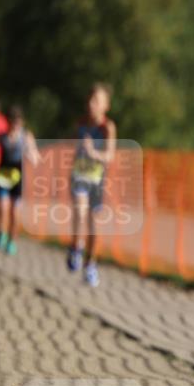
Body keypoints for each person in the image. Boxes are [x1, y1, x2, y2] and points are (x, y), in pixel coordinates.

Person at [67, 83, 117, 287]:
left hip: (97, 179)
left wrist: (93, 153)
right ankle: (76, 247)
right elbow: (73, 146)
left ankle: (90, 265)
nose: (91, 104)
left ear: (106, 106)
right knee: (80, 210)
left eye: (96, 100)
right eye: (89, 99)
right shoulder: (80, 123)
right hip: (79, 175)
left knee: (95, 226)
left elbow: (109, 156)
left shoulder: (107, 127)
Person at [0, 106, 40, 254]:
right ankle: (1, 232)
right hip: (3, 174)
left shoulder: (26, 136)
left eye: (18, 123)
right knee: (2, 206)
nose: (15, 126)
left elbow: (34, 155)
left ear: (21, 123)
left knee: (14, 211)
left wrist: (32, 156)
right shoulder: (2, 137)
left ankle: (12, 241)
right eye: (13, 123)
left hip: (18, 178)